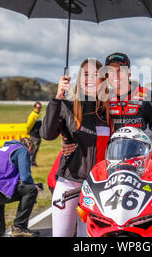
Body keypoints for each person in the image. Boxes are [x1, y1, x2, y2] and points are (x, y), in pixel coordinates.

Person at [40, 58, 110, 237]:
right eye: (86, 74)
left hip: (98, 187)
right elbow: (47, 134)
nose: (91, 79)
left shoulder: (108, 110)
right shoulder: (66, 105)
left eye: (96, 75)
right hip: (69, 183)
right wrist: (57, 97)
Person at [104, 52, 152, 159]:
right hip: (115, 166)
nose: (115, 75)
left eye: (120, 71)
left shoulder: (148, 97)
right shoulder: (104, 100)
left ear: (129, 73)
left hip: (145, 165)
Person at [26, 101, 42, 166]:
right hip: (34, 135)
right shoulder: (33, 115)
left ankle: (32, 162)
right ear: (34, 107)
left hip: (37, 134)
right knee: (33, 148)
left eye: (40, 107)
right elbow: (28, 125)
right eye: (38, 107)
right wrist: (28, 131)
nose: (39, 109)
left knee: (35, 148)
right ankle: (31, 162)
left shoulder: (37, 115)